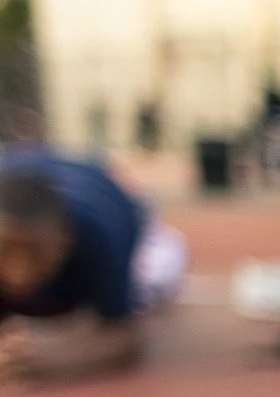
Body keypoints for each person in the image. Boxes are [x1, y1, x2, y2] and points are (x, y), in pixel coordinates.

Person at [0, 146, 170, 383]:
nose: (19, 274)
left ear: (65, 239)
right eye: (4, 251)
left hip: (115, 202)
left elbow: (125, 334)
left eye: (36, 254)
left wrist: (59, 357)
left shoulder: (102, 233)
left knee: (158, 281)